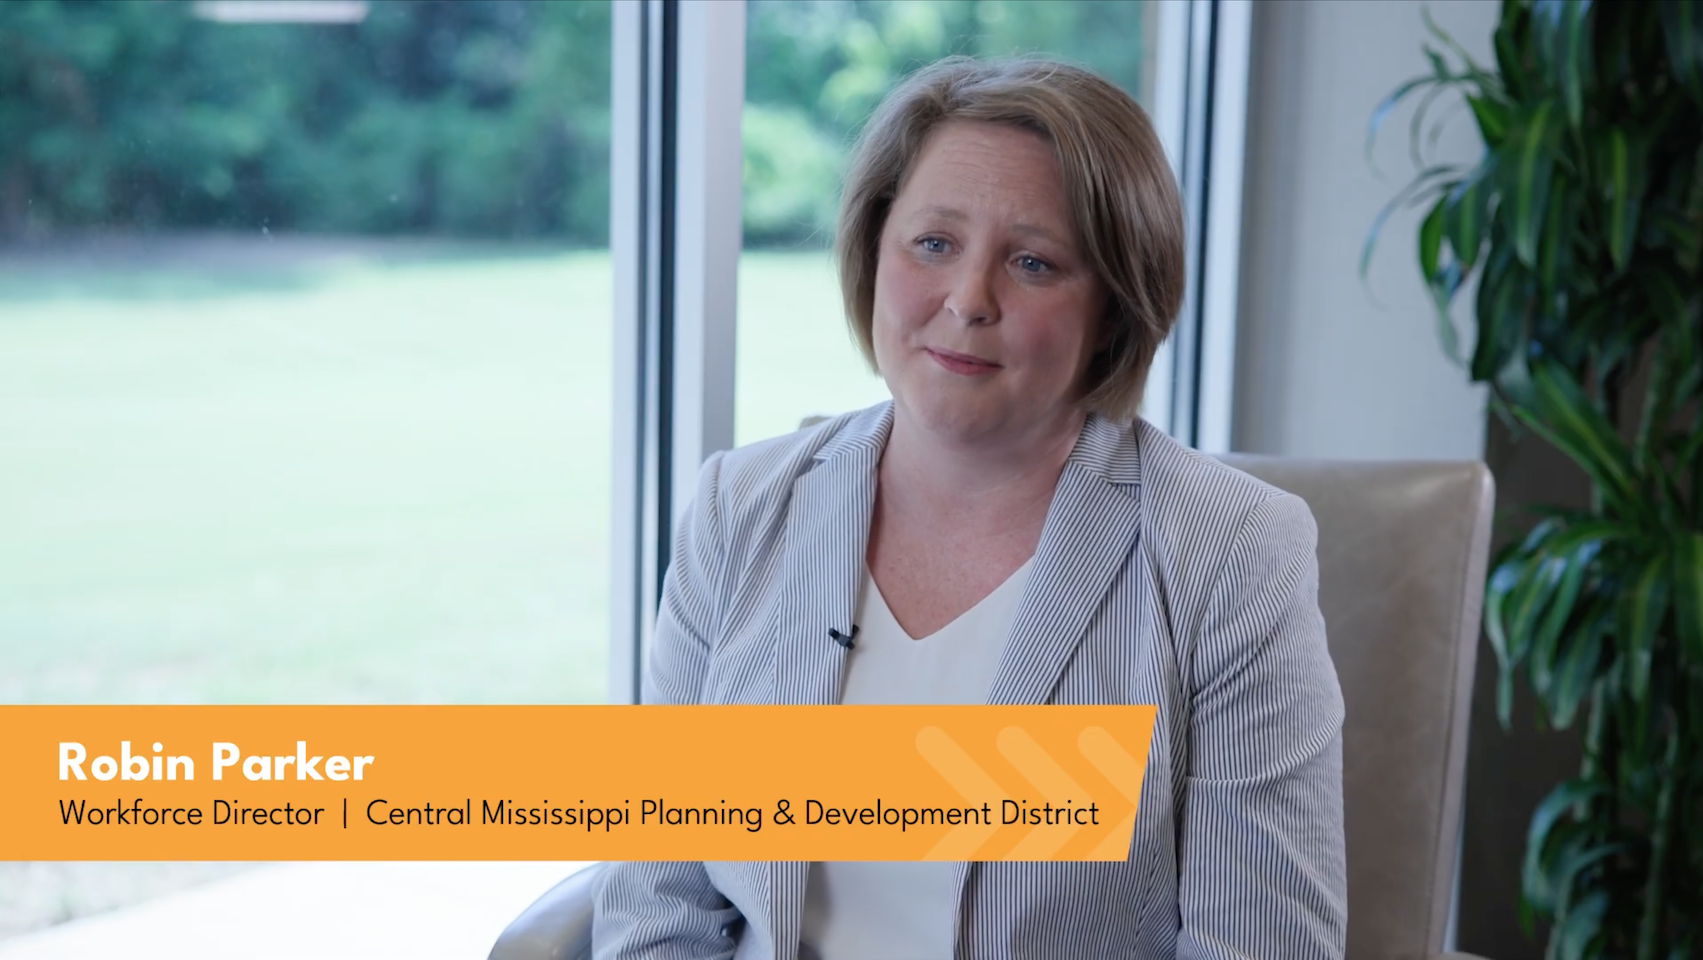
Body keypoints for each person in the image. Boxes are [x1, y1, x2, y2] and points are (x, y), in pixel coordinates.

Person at [594, 56, 1346, 960]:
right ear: (873, 250)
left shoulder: (1232, 553)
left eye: (1032, 262)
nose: (967, 300)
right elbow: (658, 908)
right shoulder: (737, 508)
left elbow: (1261, 946)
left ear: (1114, 308)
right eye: (933, 243)